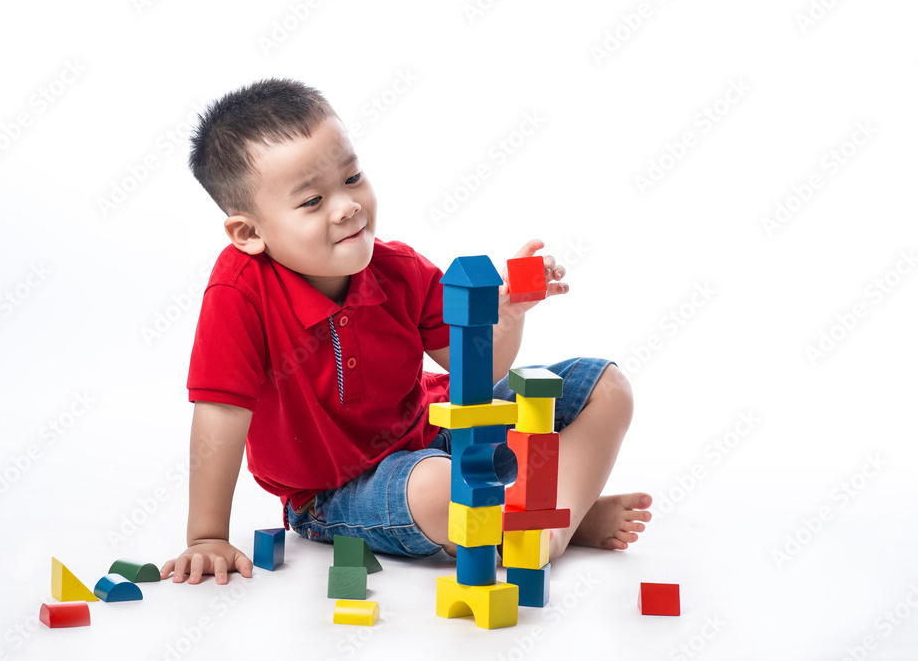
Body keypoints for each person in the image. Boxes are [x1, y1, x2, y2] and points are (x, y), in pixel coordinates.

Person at [161, 77, 651, 585]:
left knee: (605, 386)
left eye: (352, 177)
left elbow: (478, 372)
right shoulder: (240, 294)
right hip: (339, 491)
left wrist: (511, 314)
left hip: (435, 432)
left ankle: (554, 522)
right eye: (311, 201)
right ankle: (529, 521)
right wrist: (206, 535)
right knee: (445, 487)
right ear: (250, 233)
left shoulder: (398, 269)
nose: (347, 206)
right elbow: (220, 412)